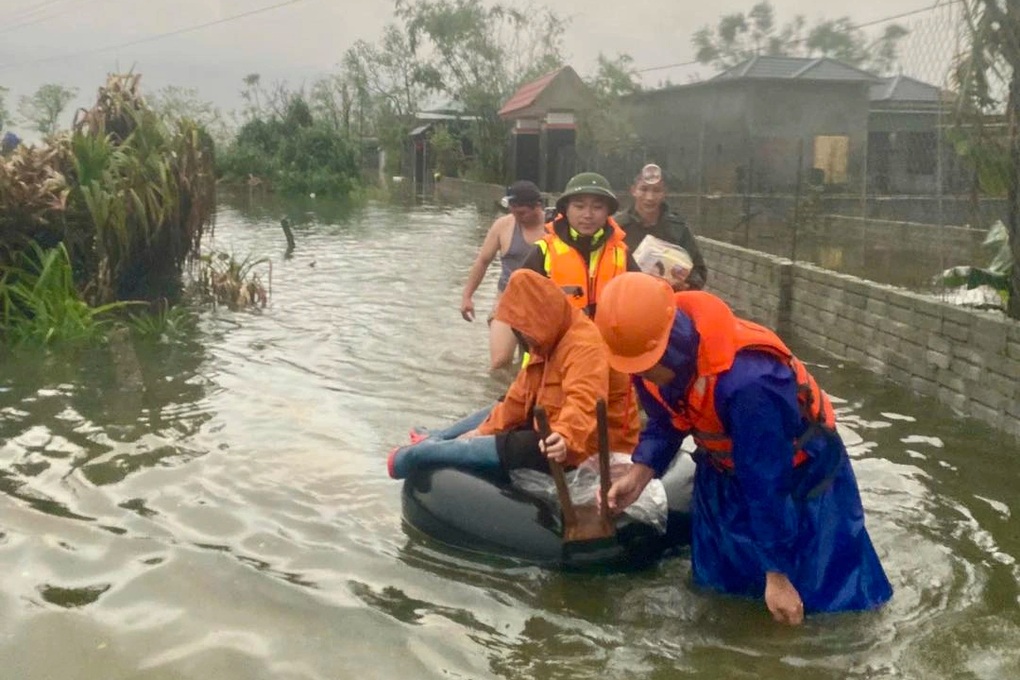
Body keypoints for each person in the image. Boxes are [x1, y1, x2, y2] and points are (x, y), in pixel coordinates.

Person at [592, 273, 892, 625]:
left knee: (823, 606)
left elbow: (767, 480)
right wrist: (640, 472)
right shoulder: (646, 360)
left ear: (669, 342)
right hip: (722, 474)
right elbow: (665, 419)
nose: (640, 375)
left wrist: (777, 574)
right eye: (633, 368)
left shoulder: (750, 381)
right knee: (721, 588)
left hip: (800, 480)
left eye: (646, 366)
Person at [388, 269, 639, 480]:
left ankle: (415, 455)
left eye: (525, 329)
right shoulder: (550, 339)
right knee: (500, 405)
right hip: (554, 427)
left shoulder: (585, 346)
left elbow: (585, 403)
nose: (523, 338)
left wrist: (565, 437)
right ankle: (437, 438)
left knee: (520, 445)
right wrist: (481, 432)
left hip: (587, 448)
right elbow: (519, 398)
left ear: (541, 318)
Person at [520, 172, 641, 319]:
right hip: (559, 339)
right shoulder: (543, 250)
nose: (588, 215)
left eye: (597, 207)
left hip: (608, 340)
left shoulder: (622, 253)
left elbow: (641, 302)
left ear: (608, 212)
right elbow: (520, 307)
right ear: (566, 210)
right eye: (579, 206)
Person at [461, 180, 548, 370]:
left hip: (541, 304)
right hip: (507, 300)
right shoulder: (503, 225)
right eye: (513, 211)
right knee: (499, 362)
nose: (517, 217)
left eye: (522, 213)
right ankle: (498, 397)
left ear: (538, 206)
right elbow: (483, 261)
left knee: (533, 364)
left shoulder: (554, 228)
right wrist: (467, 296)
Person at [613, 163, 708, 290]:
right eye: (644, 189)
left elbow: (699, 272)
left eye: (656, 190)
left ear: (664, 193)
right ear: (633, 190)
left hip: (668, 302)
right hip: (626, 301)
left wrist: (686, 284)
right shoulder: (617, 227)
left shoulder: (677, 229)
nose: (650, 197)